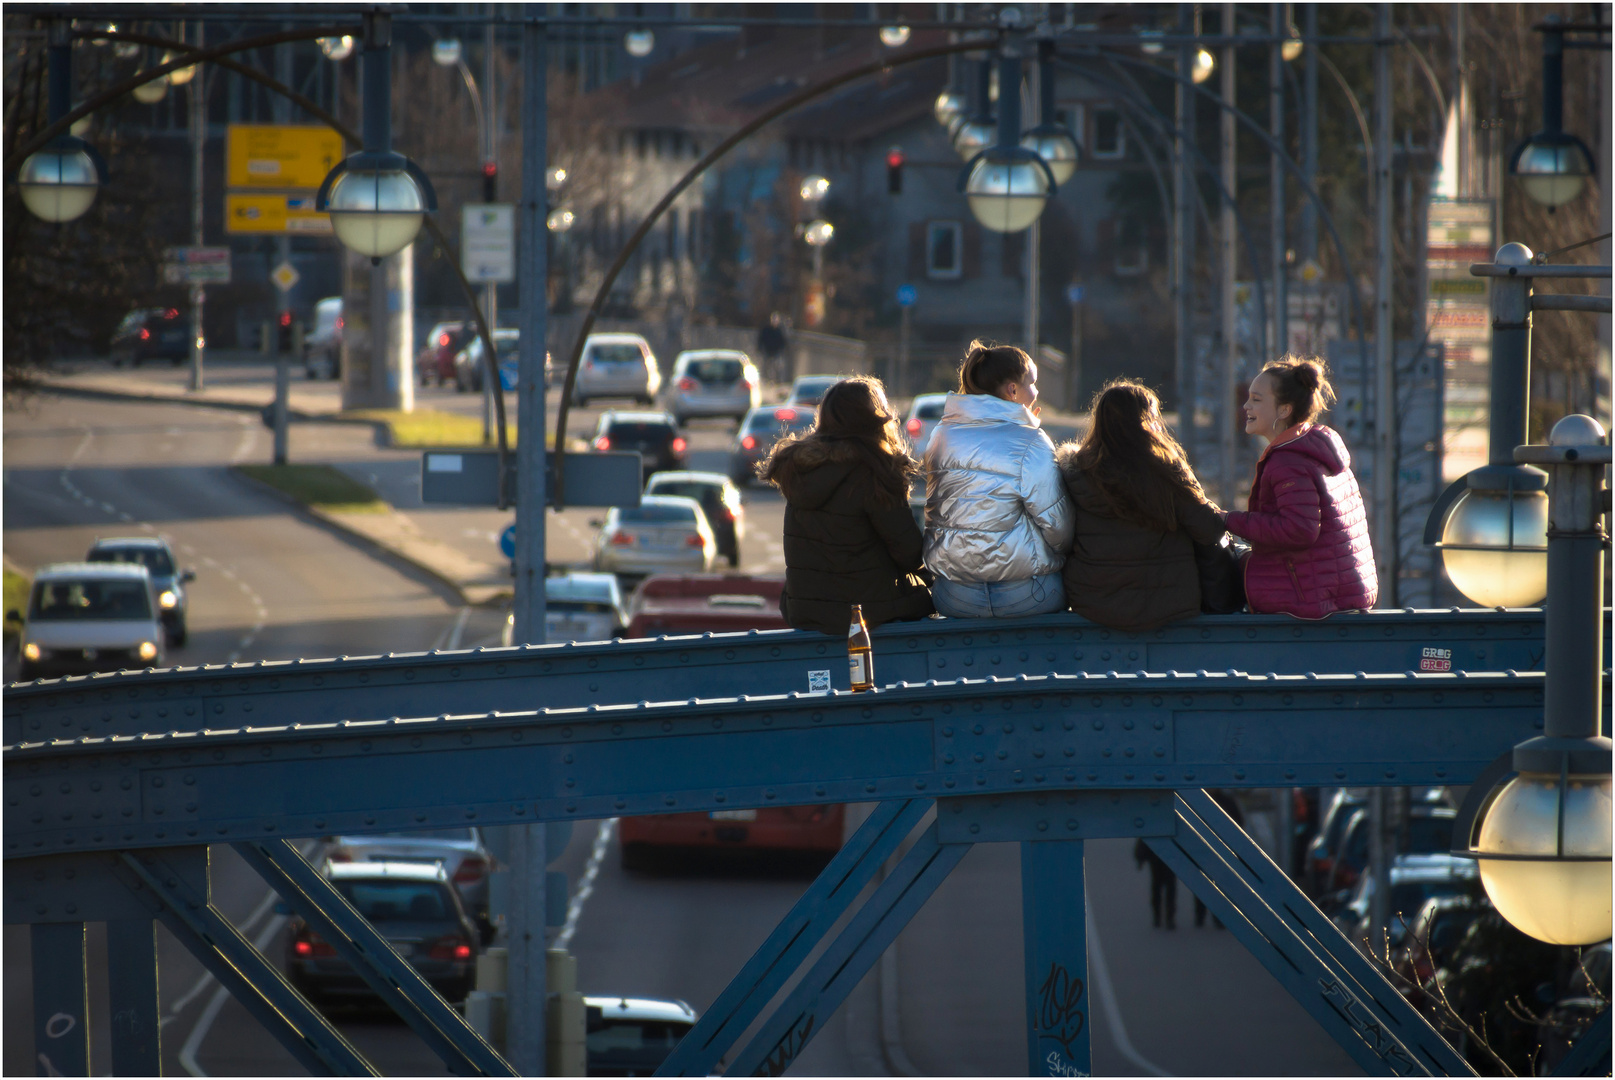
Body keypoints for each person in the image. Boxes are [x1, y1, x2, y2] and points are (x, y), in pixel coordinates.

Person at [759, 376, 934, 635]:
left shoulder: (801, 470)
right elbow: (910, 556)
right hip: (865, 612)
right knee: (934, 596)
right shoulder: (874, 472)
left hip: (806, 611)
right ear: (876, 419)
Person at [1055, 379, 1228, 631]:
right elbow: (1210, 529)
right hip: (1168, 604)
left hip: (1093, 602)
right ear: (1147, 423)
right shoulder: (1166, 470)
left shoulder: (1076, 473)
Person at [923, 341, 1072, 618]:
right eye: (1033, 383)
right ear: (1013, 390)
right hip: (1027, 596)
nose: (1037, 392)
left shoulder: (941, 435)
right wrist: (1030, 432)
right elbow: (1059, 530)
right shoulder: (1031, 441)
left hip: (953, 596)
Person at [1224, 356, 1378, 619]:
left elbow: (1299, 529)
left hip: (1308, 600)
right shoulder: (1315, 447)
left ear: (1284, 410)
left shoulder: (1289, 461)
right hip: (1341, 593)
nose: (1246, 406)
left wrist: (1229, 520)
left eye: (1257, 399)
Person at [1133, 837, 1177, 929]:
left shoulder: (1153, 831)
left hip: (1159, 865)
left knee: (1159, 893)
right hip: (1167, 864)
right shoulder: (1169, 830)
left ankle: (1160, 918)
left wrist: (1140, 860)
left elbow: (1142, 846)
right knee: (1167, 893)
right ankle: (1166, 919)